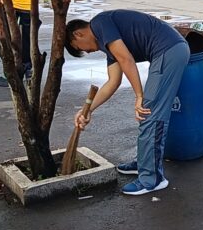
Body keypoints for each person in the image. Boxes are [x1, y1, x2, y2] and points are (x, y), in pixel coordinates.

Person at [65, 10, 190, 195]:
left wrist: (139, 95)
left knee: (150, 113)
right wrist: (88, 110)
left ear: (78, 34)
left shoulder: (100, 23)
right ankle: (144, 163)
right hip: (168, 52)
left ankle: (152, 178)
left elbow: (126, 59)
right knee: (147, 113)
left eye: (81, 48)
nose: (88, 52)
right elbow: (112, 83)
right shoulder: (108, 44)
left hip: (169, 51)